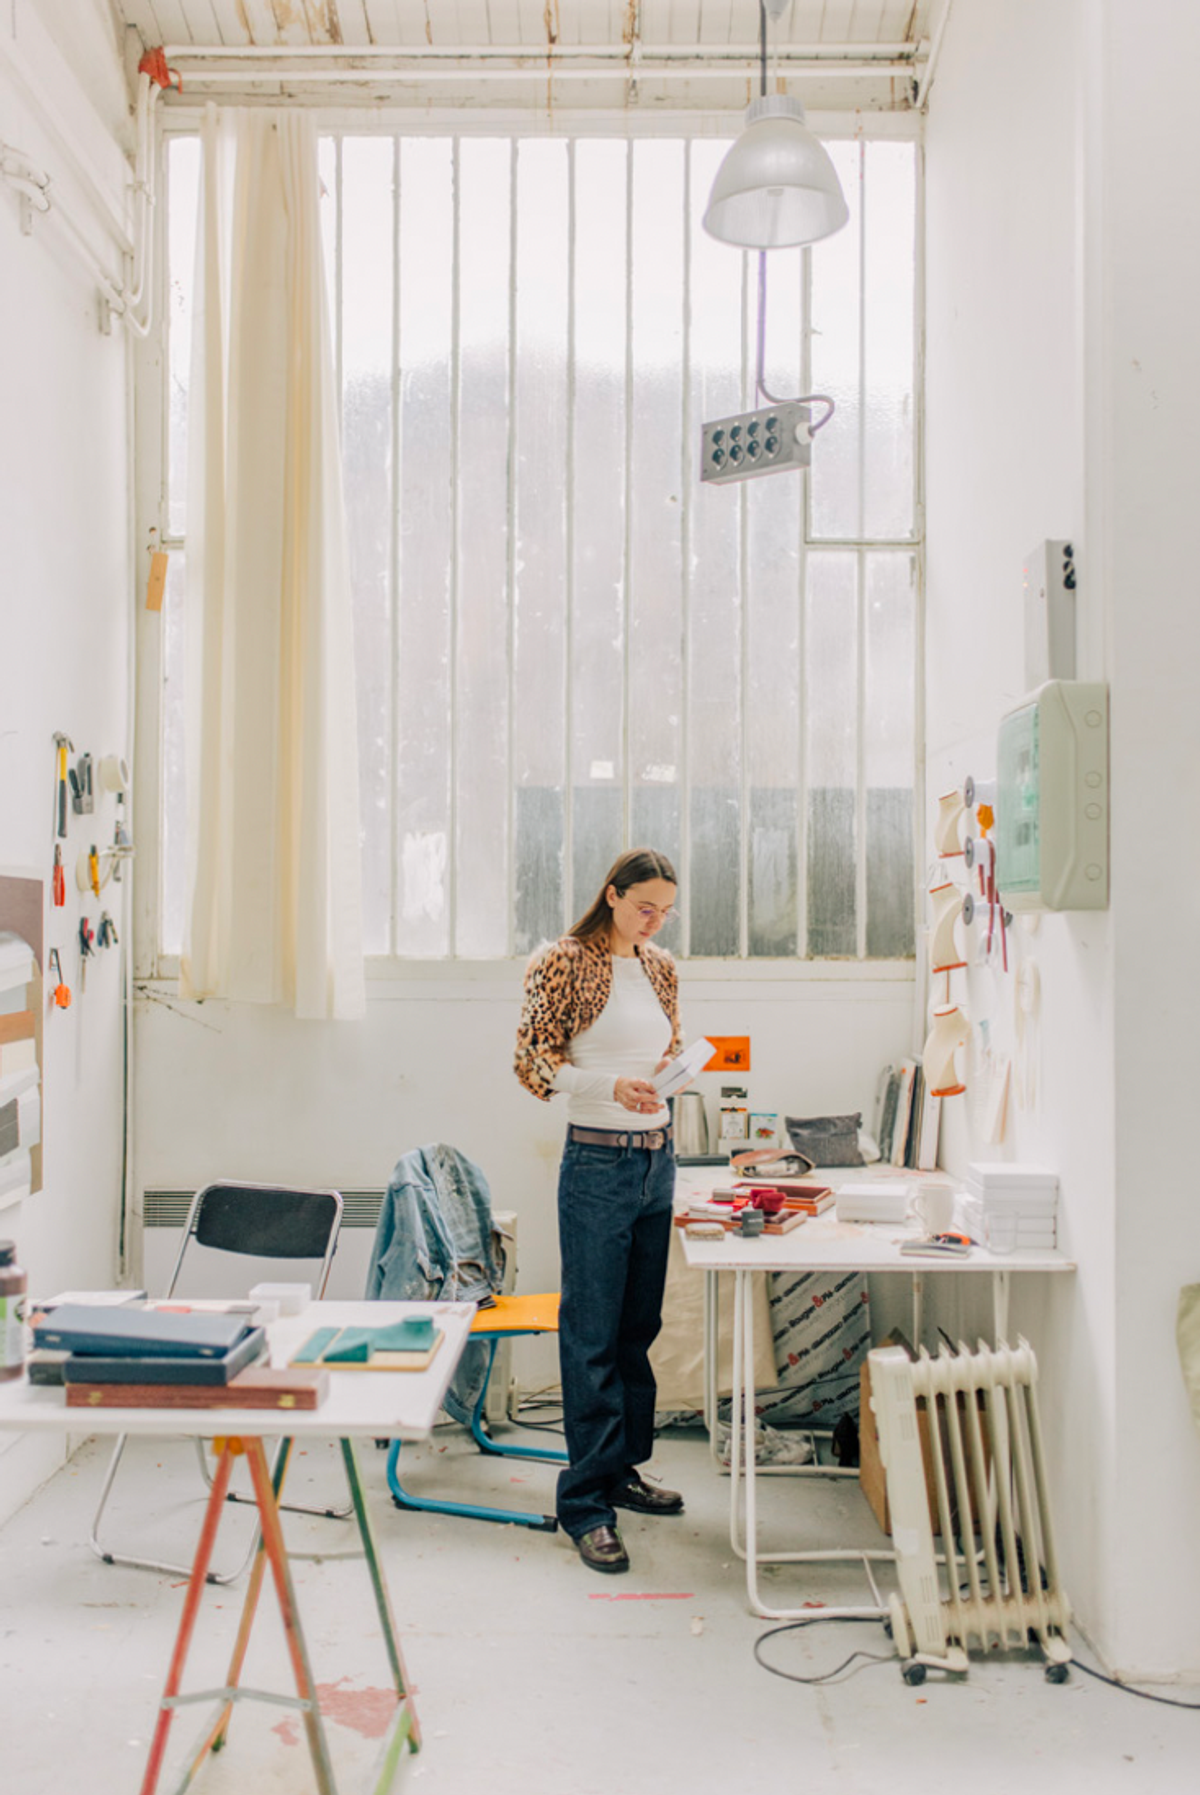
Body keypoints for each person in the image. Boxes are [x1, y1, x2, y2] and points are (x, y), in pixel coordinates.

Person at [514, 847, 689, 1574]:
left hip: (655, 1161)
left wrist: (668, 1076)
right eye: (645, 906)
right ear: (612, 895)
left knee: (635, 1328)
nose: (655, 921)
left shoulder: (660, 968)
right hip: (596, 1163)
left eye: (666, 911)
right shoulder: (563, 961)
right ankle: (584, 1503)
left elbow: (664, 1048)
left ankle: (620, 1469)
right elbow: (533, 1062)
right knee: (590, 1332)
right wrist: (610, 1089)